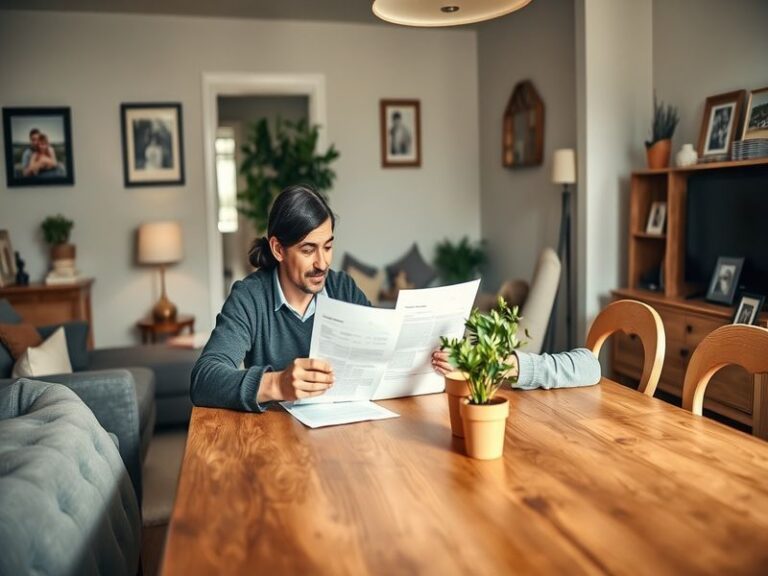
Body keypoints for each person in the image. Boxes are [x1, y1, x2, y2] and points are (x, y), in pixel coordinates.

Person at [191, 184, 600, 412]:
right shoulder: (249, 298)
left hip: (347, 437)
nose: (322, 263)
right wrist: (275, 383)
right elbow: (205, 378)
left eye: (329, 246)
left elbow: (378, 361)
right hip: (278, 449)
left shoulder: (342, 288)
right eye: (308, 249)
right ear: (278, 249)